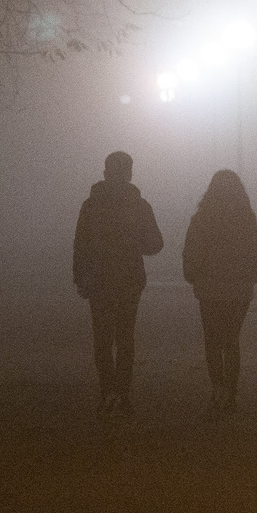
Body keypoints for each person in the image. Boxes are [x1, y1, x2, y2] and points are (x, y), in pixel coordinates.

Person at [73, 150, 161, 418]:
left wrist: (80, 277)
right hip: (129, 279)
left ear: (105, 173)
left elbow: (80, 246)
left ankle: (107, 392)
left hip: (98, 280)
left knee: (102, 338)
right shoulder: (139, 205)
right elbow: (155, 244)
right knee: (125, 338)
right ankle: (123, 393)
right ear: (130, 173)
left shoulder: (91, 206)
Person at [182, 168, 257, 413]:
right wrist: (249, 278)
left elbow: (191, 253)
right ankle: (230, 391)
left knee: (212, 341)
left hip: (209, 289)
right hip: (238, 290)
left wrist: (195, 277)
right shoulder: (246, 219)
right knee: (231, 340)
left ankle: (218, 387)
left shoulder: (201, 219)